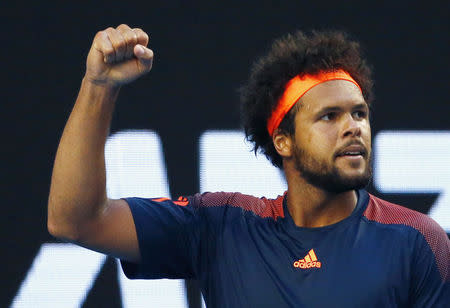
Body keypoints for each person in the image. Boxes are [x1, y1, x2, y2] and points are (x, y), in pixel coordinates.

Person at [48, 24, 449, 307]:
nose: (353, 128)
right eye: (330, 117)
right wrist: (98, 88)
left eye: (359, 114)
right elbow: (75, 221)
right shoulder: (222, 227)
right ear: (283, 141)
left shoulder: (419, 242)